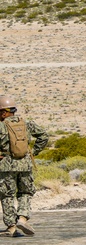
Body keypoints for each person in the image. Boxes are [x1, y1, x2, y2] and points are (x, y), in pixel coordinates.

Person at [0, 96, 49, 237]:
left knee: (7, 195)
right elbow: (44, 136)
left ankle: (11, 227)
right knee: (25, 193)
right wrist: (33, 152)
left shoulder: (1, 125)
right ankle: (23, 218)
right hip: (25, 165)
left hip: (6, 166)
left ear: (3, 113)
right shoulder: (25, 123)